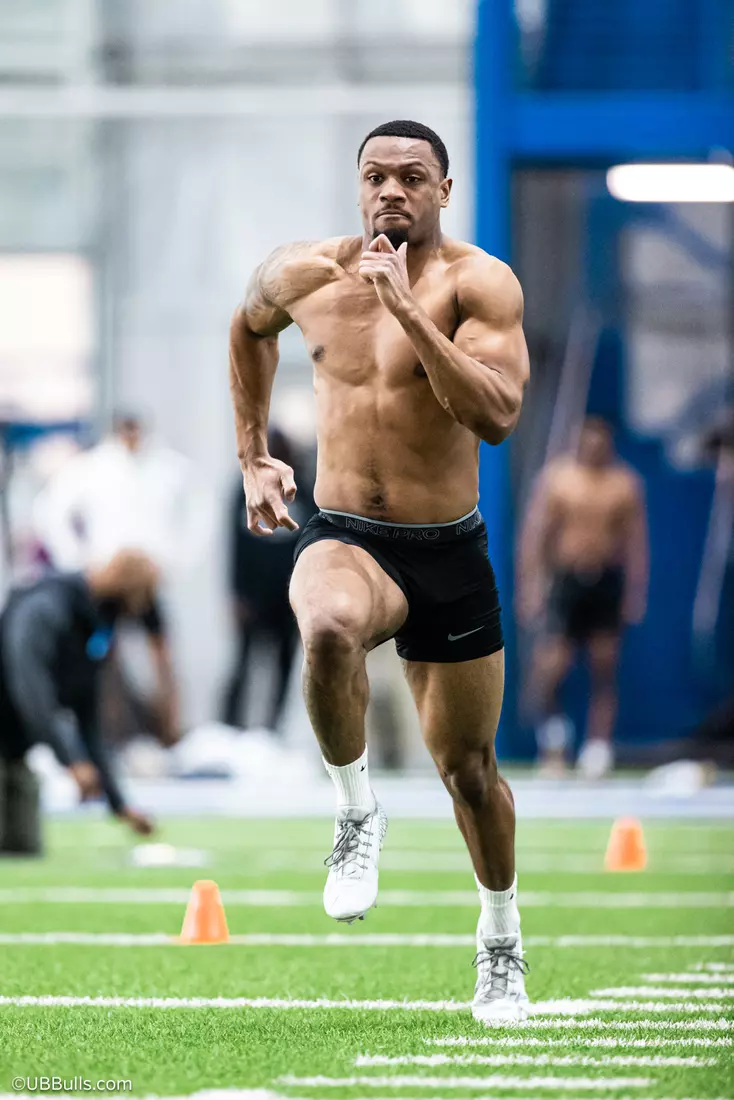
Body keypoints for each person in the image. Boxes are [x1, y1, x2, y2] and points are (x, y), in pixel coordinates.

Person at [229, 120, 531, 1022]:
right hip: (346, 531)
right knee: (324, 626)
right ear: (358, 187)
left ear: (443, 189)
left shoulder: (481, 285)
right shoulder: (306, 273)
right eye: (375, 175)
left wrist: (407, 312)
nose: (391, 190)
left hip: (447, 550)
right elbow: (248, 329)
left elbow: (500, 414)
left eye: (411, 176)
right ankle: (356, 810)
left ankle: (501, 942)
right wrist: (251, 453)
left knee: (470, 772)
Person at [31, 412, 205, 746]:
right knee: (102, 657)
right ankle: (106, 730)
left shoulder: (166, 467)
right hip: (109, 580)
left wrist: (176, 558)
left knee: (162, 656)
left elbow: (199, 507)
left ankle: (169, 732)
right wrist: (83, 562)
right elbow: (51, 511)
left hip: (145, 578)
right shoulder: (93, 467)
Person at [0, 549, 158, 851]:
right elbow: (31, 690)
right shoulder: (46, 607)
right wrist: (71, 759)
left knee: (24, 849)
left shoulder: (95, 626)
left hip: (15, 754)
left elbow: (89, 718)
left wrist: (118, 803)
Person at [517, 417, 648, 778]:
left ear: (609, 443)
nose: (593, 447)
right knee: (551, 667)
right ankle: (555, 741)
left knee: (604, 664)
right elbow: (535, 536)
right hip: (566, 582)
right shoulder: (558, 480)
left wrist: (635, 592)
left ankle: (597, 749)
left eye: (600, 441)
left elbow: (636, 542)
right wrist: (531, 588)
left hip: (605, 581)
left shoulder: (624, 485)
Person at [221, 426, 316, 732]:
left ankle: (273, 727)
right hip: (253, 597)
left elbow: (313, 546)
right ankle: (230, 725)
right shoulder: (246, 490)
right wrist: (236, 593)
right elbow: (234, 545)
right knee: (243, 664)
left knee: (284, 666)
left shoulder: (304, 490)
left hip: (287, 597)